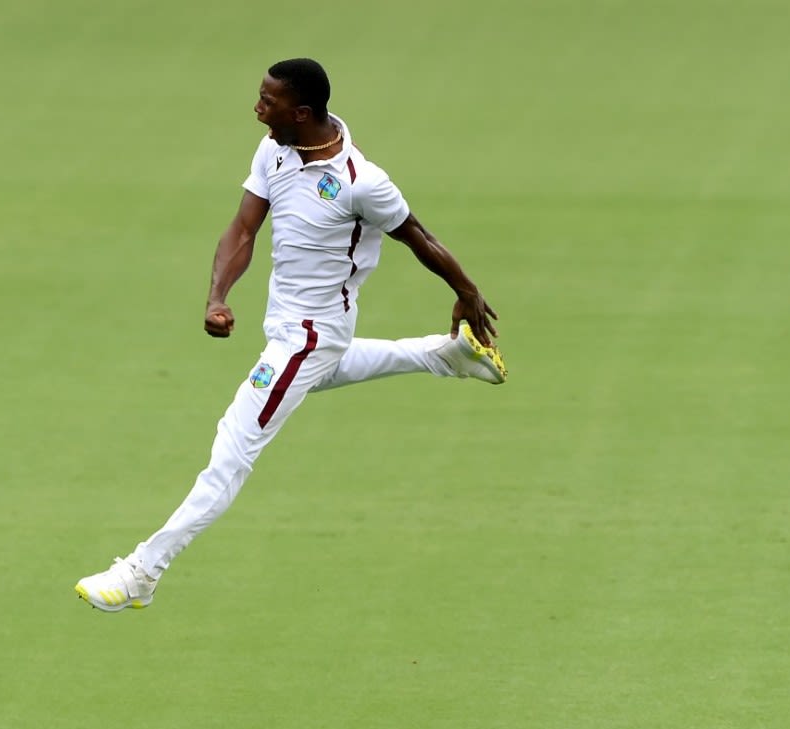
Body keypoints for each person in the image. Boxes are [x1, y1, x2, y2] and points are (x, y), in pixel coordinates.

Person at [75, 58, 506, 612]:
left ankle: (142, 572)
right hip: (290, 332)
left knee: (232, 447)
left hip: (308, 336)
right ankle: (445, 357)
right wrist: (217, 296)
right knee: (320, 371)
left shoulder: (360, 182)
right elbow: (244, 228)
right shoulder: (275, 150)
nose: (257, 108)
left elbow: (418, 237)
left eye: (267, 101)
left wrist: (467, 292)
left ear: (302, 112)